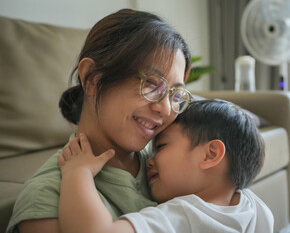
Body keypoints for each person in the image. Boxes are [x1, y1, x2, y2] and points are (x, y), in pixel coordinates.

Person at [6, 8, 192, 233]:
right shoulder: (46, 198)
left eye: (175, 94)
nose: (164, 108)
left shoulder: (166, 161)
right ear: (92, 78)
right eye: (152, 83)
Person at [58, 99, 274, 233]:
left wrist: (78, 173)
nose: (149, 159)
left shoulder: (181, 216)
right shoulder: (257, 209)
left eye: (161, 146)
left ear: (210, 154)